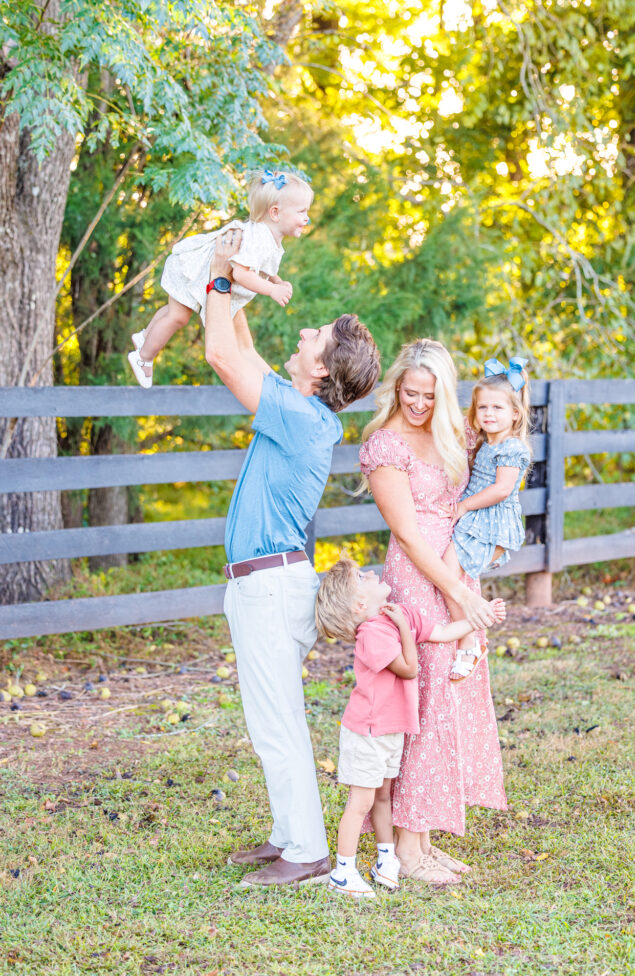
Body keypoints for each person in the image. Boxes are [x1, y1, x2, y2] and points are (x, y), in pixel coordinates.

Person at [204, 230, 380, 889]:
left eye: (316, 336)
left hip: (272, 588)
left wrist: (219, 279)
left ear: (323, 371)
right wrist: (241, 274)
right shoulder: (296, 406)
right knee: (269, 718)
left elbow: (222, 354)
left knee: (276, 722)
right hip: (269, 584)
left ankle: (306, 850)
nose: (304, 331)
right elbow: (242, 345)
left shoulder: (302, 418)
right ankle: (288, 834)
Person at [358, 339, 507, 885]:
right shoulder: (385, 445)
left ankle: (424, 835)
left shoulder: (454, 433)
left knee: (452, 696)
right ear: (397, 387)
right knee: (424, 702)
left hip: (456, 568)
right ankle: (405, 846)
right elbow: (409, 535)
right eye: (410, 393)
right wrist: (460, 596)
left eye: (429, 395)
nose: (419, 404)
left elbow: (507, 440)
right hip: (418, 577)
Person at [314, 557, 505, 899]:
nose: (371, 573)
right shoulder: (372, 634)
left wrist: (479, 619)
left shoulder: (397, 615)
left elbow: (442, 633)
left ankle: (386, 860)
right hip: (368, 732)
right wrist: (404, 628)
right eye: (362, 577)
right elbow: (409, 669)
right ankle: (343, 871)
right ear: (360, 605)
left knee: (383, 797)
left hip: (391, 730)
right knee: (360, 802)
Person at [128, 169, 312, 387]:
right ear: (275, 213)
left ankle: (145, 337)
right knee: (178, 317)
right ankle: (143, 358)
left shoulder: (268, 237)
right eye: (301, 211)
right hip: (193, 270)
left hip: (197, 272)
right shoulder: (260, 238)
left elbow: (261, 265)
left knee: (173, 311)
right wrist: (272, 290)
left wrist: (276, 281)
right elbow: (241, 273)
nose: (307, 218)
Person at [449, 357, 532, 681]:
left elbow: (501, 490)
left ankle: (469, 642)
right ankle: (470, 634)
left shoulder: (512, 448)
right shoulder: (486, 441)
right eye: (482, 407)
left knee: (448, 574)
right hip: (476, 521)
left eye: (497, 408)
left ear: (515, 413)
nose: (488, 414)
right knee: (451, 577)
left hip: (490, 524)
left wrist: (462, 507)